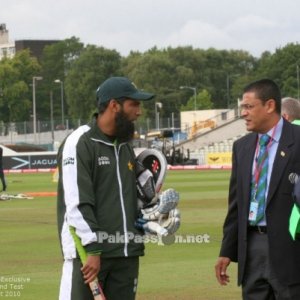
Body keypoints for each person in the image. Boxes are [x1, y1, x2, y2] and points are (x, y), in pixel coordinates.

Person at [57, 76, 155, 300]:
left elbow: (131, 198)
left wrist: (151, 217)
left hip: (126, 253)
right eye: (134, 104)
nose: (138, 111)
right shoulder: (79, 142)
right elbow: (77, 202)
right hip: (89, 256)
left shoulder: (125, 145)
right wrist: (92, 249)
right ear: (114, 105)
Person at [215, 79, 300, 299]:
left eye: (248, 106)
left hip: (291, 250)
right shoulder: (241, 147)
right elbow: (236, 204)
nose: (243, 113)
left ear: (270, 106)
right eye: (242, 107)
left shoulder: (297, 140)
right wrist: (227, 251)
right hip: (251, 248)